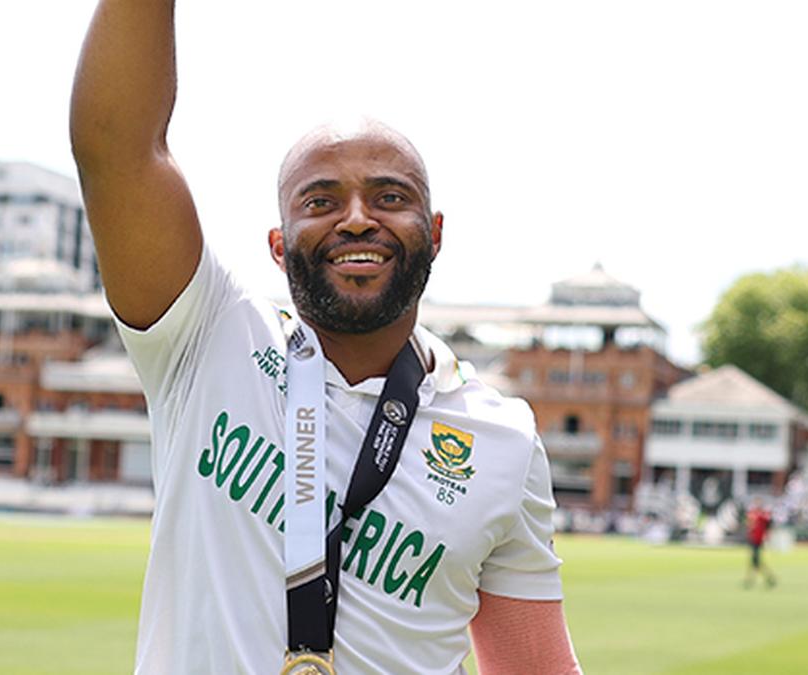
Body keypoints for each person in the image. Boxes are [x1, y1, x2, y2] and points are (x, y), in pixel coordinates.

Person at [70, 2, 581, 673]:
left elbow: (536, 667)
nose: (358, 218)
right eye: (321, 201)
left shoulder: (503, 439)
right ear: (279, 245)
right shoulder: (205, 336)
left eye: (391, 197)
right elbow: (115, 147)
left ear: (435, 234)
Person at [743, 499, 777, 589]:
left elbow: (769, 524)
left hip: (758, 541)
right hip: (753, 539)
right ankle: (755, 579)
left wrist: (767, 534)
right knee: (755, 562)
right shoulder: (753, 514)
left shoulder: (762, 515)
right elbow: (749, 524)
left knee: (755, 562)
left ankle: (767, 578)